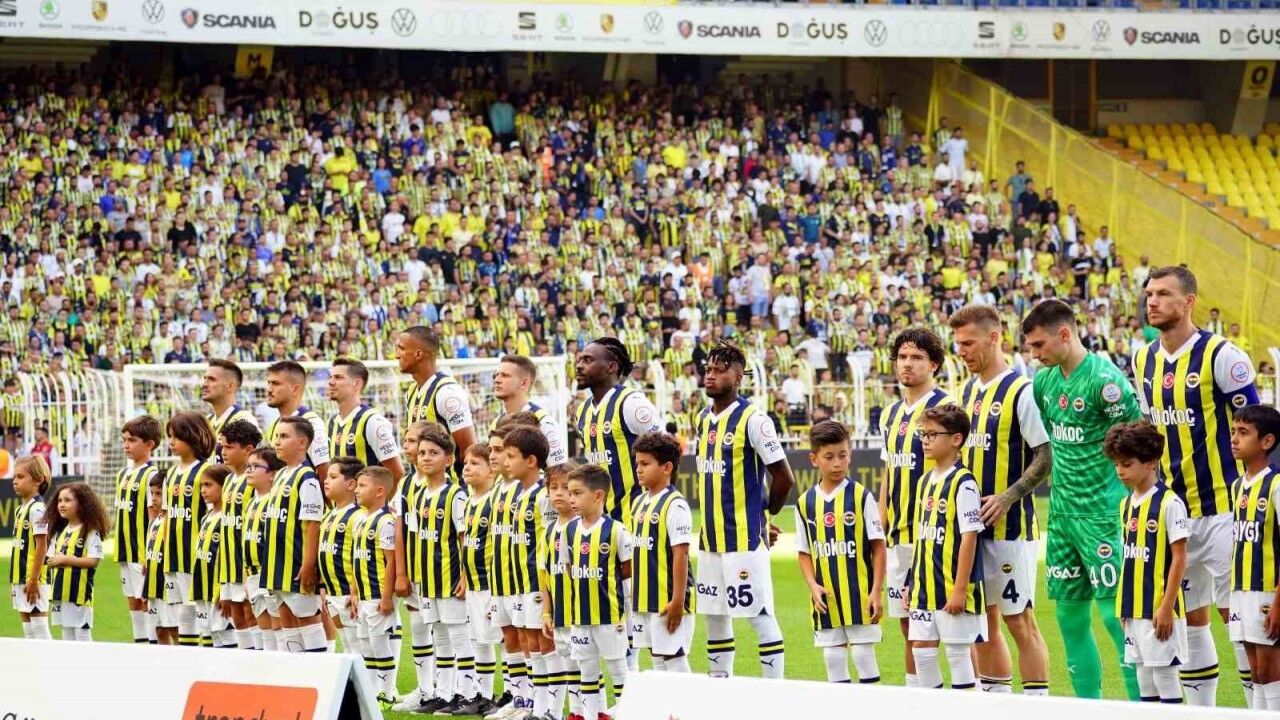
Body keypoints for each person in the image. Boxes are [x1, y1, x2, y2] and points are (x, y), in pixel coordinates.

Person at [1133, 266, 1259, 707]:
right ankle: (1201, 713)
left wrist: (1261, 497)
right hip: (1176, 515)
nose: (1152, 301)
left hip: (1225, 510)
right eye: (1149, 293)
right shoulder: (1143, 359)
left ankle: (1260, 711)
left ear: (1189, 302)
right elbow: (1150, 433)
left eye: (1163, 294)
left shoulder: (1223, 357)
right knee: (1190, 621)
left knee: (1240, 622)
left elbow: (1259, 429)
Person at [1022, 298, 1143, 700]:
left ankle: (1143, 706)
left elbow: (1136, 444)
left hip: (1103, 514)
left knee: (1114, 617)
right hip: (1061, 517)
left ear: (1064, 333)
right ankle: (1088, 707)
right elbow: (1054, 444)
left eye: (1039, 345)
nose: (1034, 355)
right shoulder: (1043, 383)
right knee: (1069, 618)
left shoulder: (1106, 382)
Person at [950, 305, 1051, 695]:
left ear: (994, 338)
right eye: (958, 344)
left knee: (1019, 621)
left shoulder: (1021, 391)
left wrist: (1009, 496)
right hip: (972, 531)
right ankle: (996, 702)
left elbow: (1047, 455)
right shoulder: (967, 391)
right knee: (982, 621)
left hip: (1011, 531)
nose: (961, 351)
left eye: (968, 343)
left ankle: (1037, 704)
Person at [693, 340, 794, 679]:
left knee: (759, 616)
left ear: (738, 378)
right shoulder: (703, 419)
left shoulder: (753, 419)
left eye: (720, 371)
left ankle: (773, 693)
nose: (710, 375)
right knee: (715, 619)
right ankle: (720, 690)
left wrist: (766, 516)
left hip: (743, 541)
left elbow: (784, 477)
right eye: (708, 369)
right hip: (709, 542)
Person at [878, 327, 954, 687]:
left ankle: (970, 694)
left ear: (933, 364)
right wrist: (879, 526)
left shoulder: (946, 410)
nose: (907, 364)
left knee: (951, 626)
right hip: (898, 538)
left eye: (917, 358)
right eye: (903, 357)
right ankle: (917, 696)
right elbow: (889, 472)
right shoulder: (890, 414)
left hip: (934, 536)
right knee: (908, 624)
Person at [1104, 421, 1190, 705]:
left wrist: (1166, 607)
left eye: (1127, 464)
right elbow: (1130, 557)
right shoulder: (1126, 504)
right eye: (1117, 464)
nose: (1120, 471)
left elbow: (1180, 557)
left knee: (1165, 675)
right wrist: (1123, 606)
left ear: (1151, 462)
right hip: (1134, 609)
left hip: (1159, 609)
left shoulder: (1169, 503)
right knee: (1143, 677)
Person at [796, 420, 885, 684]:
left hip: (860, 595)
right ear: (814, 459)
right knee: (833, 658)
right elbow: (804, 552)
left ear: (850, 455)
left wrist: (876, 591)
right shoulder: (805, 503)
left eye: (843, 455)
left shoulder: (861, 497)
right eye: (829, 457)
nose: (837, 463)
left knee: (863, 655)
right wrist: (812, 585)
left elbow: (878, 546)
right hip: (827, 598)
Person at [905, 404, 985, 691]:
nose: (925, 440)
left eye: (932, 434)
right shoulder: (924, 481)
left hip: (952, 586)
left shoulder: (964, 483)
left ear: (956, 439)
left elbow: (969, 538)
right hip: (923, 587)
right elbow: (921, 537)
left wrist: (960, 589)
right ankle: (935, 708)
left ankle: (968, 707)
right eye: (923, 434)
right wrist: (910, 581)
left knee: (957, 654)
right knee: (922, 652)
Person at [410, 424, 482, 715]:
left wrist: (464, 575)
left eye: (433, 453)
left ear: (449, 459)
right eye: (422, 453)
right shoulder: (418, 495)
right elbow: (418, 538)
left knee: (459, 636)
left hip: (450, 578)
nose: (426, 457)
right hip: (428, 580)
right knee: (439, 637)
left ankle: (468, 694)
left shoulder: (455, 495)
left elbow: (464, 538)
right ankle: (444, 693)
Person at [562, 464, 633, 720]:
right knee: (587, 673)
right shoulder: (569, 530)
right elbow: (569, 569)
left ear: (598, 495)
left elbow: (628, 572)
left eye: (577, 493)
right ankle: (591, 715)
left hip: (610, 618)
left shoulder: (616, 531)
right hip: (580, 618)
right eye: (569, 492)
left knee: (618, 669)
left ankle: (627, 714)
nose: (571, 498)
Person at [575, 337, 663, 526]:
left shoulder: (631, 404)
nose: (579, 365)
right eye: (579, 360)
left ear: (611, 367)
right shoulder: (583, 411)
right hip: (602, 523)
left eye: (588, 360)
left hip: (636, 521)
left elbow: (665, 452)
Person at [1227, 405, 1280, 710]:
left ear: (1267, 441)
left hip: (1267, 591)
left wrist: (1278, 603)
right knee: (1256, 672)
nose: (1234, 438)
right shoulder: (1238, 486)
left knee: (1271, 672)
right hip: (1241, 589)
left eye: (1244, 432)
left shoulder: (1276, 485)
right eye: (1233, 431)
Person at [629, 432, 696, 673]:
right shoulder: (639, 502)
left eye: (645, 464)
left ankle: (691, 701)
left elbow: (681, 554)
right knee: (657, 659)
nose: (638, 469)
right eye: (637, 463)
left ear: (667, 467)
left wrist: (677, 601)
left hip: (668, 598)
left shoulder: (674, 505)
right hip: (644, 598)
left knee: (674, 659)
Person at [504, 425, 559, 719]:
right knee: (527, 641)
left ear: (531, 461)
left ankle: (553, 708)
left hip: (538, 582)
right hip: (520, 582)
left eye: (511, 456)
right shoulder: (517, 493)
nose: (505, 462)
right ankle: (537, 706)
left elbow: (551, 539)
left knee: (544, 641)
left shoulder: (543, 495)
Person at [262, 416, 326, 653]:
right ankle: (297, 670)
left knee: (307, 619)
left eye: (284, 436)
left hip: (296, 564)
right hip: (277, 564)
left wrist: (308, 565)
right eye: (276, 436)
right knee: (286, 620)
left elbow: (312, 525)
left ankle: (319, 670)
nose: (277, 442)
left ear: (302, 443)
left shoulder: (307, 478)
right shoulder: (280, 475)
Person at [392, 420, 438, 712]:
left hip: (439, 573)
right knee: (419, 629)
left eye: (411, 441)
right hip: (414, 570)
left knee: (444, 634)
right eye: (406, 441)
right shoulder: (406, 483)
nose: (406, 447)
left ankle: (448, 689)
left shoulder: (446, 486)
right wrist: (401, 571)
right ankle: (425, 689)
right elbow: (400, 529)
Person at [161, 410, 215, 648]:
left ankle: (210, 655)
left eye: (177, 436)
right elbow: (166, 515)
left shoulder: (205, 472)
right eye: (169, 436)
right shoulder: (171, 473)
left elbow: (214, 514)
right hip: (173, 555)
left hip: (196, 554)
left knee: (201, 610)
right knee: (183, 611)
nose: (171, 442)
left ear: (193, 437)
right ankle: (189, 656)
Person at [351, 466, 400, 704]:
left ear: (380, 491)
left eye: (362, 486)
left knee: (379, 644)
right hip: (363, 597)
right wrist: (353, 592)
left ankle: (387, 694)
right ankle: (371, 694)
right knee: (366, 646)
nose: (356, 490)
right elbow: (355, 559)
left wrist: (387, 596)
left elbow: (391, 561)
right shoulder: (360, 520)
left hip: (377, 594)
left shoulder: (386, 521)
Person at [461, 443, 503, 714]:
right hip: (474, 584)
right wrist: (465, 577)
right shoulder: (468, 502)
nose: (467, 467)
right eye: (466, 463)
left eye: (475, 463)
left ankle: (510, 695)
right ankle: (483, 695)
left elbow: (498, 546)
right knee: (479, 640)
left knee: (504, 640)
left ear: (491, 471)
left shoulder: (494, 502)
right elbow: (466, 543)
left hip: (492, 584)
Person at [540, 462, 584, 720]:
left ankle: (592, 712)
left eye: (565, 488)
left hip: (581, 614)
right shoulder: (548, 531)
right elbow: (545, 575)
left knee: (586, 667)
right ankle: (575, 713)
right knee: (569, 666)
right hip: (559, 613)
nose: (558, 493)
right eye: (553, 487)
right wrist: (546, 612)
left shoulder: (583, 527)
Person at [217, 419, 265, 650]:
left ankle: (260, 661)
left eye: (229, 447)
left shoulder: (253, 482)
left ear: (248, 449)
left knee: (251, 613)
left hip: (246, 564)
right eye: (222, 446)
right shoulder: (228, 480)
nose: (223, 451)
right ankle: (247, 662)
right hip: (229, 563)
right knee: (237, 616)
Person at [397, 325, 476, 458]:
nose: (396, 355)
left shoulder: (447, 393)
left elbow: (469, 450)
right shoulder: (412, 391)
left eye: (401, 349)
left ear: (418, 354)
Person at [115, 415, 161, 646]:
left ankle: (152, 646)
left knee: (146, 601)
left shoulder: (151, 475)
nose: (126, 445)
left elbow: (154, 516)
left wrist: (149, 554)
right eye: (124, 440)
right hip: (125, 550)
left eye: (132, 440)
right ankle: (140, 645)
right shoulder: (123, 474)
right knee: (133, 600)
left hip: (142, 552)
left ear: (150, 444)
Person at [45, 481, 109, 641]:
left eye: (67, 500)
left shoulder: (89, 531)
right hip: (60, 593)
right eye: (59, 500)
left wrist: (66, 559)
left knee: (82, 634)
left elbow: (94, 560)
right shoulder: (59, 532)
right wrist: (51, 561)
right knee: (66, 635)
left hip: (80, 594)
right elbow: (50, 558)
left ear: (82, 504)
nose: (61, 504)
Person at [326, 358, 404, 480]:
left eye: (338, 377)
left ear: (356, 384)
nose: (330, 382)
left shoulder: (372, 421)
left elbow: (396, 472)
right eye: (330, 377)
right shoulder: (331, 423)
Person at [319, 457, 365, 656]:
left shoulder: (358, 515)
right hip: (333, 592)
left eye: (333, 477)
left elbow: (360, 557)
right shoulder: (328, 515)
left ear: (351, 484)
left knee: (358, 649)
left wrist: (356, 591)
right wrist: (322, 586)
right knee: (347, 647)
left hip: (349, 593)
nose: (326, 481)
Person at [242, 447, 285, 651]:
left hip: (269, 574)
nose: (249, 470)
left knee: (278, 628)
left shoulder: (274, 502)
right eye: (248, 466)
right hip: (252, 575)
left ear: (272, 474)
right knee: (264, 629)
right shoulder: (251, 503)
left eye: (255, 466)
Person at [493, 354, 568, 466]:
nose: (497, 380)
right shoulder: (496, 422)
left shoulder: (543, 421)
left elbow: (559, 470)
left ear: (524, 383)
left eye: (505, 375)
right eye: (496, 375)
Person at [264, 360, 330, 480]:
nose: (269, 389)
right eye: (268, 383)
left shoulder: (311, 423)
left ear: (295, 389)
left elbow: (324, 473)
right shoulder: (275, 424)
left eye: (276, 384)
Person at [9, 456, 51, 639]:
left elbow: (42, 546)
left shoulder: (37, 509)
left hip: (34, 579)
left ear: (38, 480)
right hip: (20, 578)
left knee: (39, 628)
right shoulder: (20, 509)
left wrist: (33, 579)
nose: (15, 481)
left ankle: (52, 658)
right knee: (28, 630)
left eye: (20, 477)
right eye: (14, 477)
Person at [191, 464, 232, 648]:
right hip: (203, 588)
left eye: (208, 485)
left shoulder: (227, 518)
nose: (203, 490)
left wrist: (223, 589)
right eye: (201, 485)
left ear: (224, 487)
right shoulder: (206, 517)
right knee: (210, 637)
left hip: (217, 589)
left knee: (225, 636)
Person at [202, 358, 258, 459]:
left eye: (211, 379)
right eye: (205, 378)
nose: (204, 384)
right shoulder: (206, 422)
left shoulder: (244, 420)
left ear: (230, 386)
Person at [141, 473, 172, 644]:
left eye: (158, 493)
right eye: (152, 493)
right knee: (159, 630)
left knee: (172, 628)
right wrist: (145, 589)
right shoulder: (153, 522)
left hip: (166, 586)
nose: (153, 498)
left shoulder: (171, 521)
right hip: (153, 586)